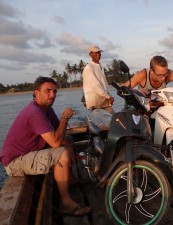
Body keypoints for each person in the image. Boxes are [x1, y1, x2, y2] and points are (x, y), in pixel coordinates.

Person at [0, 77, 91, 217]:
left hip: (30, 152)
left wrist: (66, 138)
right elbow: (55, 143)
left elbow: (60, 135)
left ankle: (69, 179)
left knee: (68, 139)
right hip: (15, 161)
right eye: (48, 91)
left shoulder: (47, 109)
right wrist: (65, 118)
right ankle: (66, 203)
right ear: (36, 93)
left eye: (54, 91)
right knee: (62, 153)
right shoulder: (34, 112)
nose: (52, 95)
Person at [123, 55, 173, 121]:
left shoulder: (169, 74)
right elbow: (123, 88)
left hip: (159, 108)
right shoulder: (142, 75)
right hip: (142, 109)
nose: (164, 78)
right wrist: (137, 92)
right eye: (160, 75)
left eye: (165, 74)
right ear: (151, 71)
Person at [82, 45, 114, 114]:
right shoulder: (89, 68)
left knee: (113, 119)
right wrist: (108, 97)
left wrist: (109, 96)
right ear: (90, 54)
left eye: (99, 53)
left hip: (104, 101)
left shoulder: (100, 66)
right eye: (96, 53)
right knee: (104, 121)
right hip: (96, 104)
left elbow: (105, 84)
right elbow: (96, 85)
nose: (98, 55)